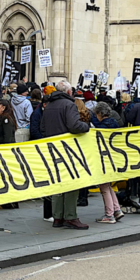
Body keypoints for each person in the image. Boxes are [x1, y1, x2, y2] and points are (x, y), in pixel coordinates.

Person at [40, 80, 90, 229]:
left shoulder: (49, 106)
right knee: (72, 182)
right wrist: (86, 126)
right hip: (68, 149)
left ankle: (57, 217)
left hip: (52, 148)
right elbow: (74, 126)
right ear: (69, 92)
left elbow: (42, 128)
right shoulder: (69, 105)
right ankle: (70, 216)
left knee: (58, 183)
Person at [91, 102, 123, 223]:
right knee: (108, 186)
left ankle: (109, 215)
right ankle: (117, 210)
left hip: (104, 159)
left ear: (100, 114)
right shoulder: (114, 124)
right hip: (113, 158)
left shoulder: (101, 128)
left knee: (104, 187)